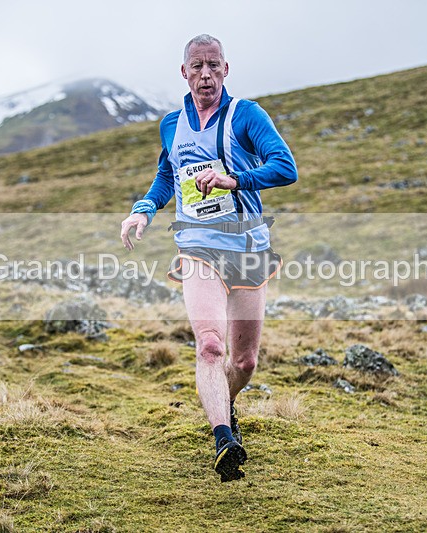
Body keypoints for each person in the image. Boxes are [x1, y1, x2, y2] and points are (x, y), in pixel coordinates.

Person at [120, 34, 297, 482]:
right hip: (198, 247)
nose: (205, 74)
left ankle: (226, 405)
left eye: (213, 66)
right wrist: (142, 210)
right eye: (197, 66)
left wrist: (232, 180)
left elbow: (285, 167)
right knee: (210, 345)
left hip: (249, 251)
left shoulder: (247, 116)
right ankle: (223, 438)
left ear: (225, 69)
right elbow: (167, 175)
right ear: (184, 72)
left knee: (244, 362)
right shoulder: (171, 123)